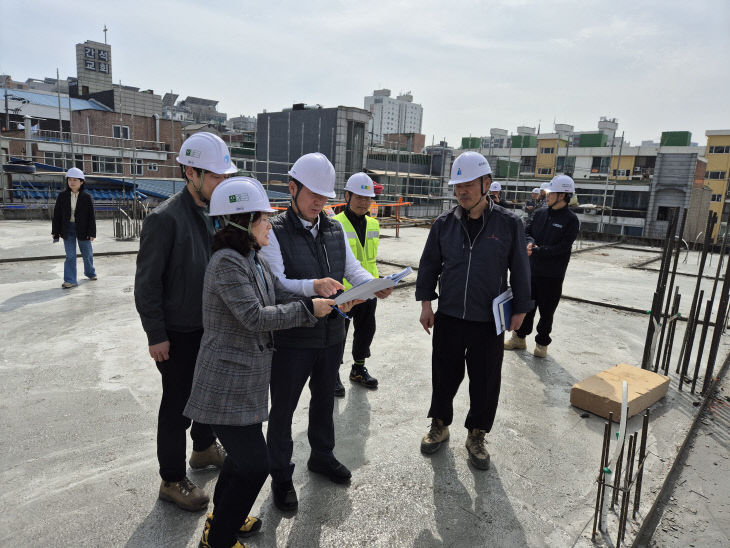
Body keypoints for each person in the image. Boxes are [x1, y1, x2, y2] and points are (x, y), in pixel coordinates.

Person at [184, 177, 347, 548]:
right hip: (226, 386)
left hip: (245, 384)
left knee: (243, 463)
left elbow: (280, 290)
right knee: (255, 465)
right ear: (242, 221)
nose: (269, 228)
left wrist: (329, 294)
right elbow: (256, 317)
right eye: (263, 220)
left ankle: (222, 520)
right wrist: (309, 310)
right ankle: (219, 540)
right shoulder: (226, 264)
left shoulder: (250, 258)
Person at [259, 153, 391, 511]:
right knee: (283, 410)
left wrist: (372, 285)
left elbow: (351, 268)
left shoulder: (334, 228)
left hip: (331, 333)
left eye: (324, 195)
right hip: (292, 338)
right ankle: (281, 477)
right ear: (292, 188)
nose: (319, 202)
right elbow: (277, 285)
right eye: (312, 194)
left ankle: (321, 455)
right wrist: (315, 287)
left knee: (323, 401)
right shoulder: (274, 232)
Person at [134, 132, 237, 512]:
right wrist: (156, 335)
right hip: (178, 333)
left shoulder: (216, 214)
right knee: (177, 406)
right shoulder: (165, 220)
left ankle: (204, 448)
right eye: (215, 176)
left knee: (207, 396)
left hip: (211, 327)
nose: (222, 183)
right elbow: (146, 285)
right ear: (190, 172)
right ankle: (172, 478)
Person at [416, 151, 532, 470]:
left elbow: (521, 269)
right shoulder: (444, 225)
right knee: (444, 374)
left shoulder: (509, 224)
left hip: (488, 321)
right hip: (450, 316)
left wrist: (521, 309)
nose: (462, 191)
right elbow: (429, 266)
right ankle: (439, 425)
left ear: (486, 183)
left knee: (485, 379)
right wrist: (426, 303)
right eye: (457, 186)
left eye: (468, 184)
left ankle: (476, 434)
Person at [504, 175, 579, 358]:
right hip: (532, 270)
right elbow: (527, 231)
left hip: (552, 275)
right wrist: (529, 243)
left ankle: (542, 343)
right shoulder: (540, 214)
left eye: (551, 193)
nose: (547, 196)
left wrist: (539, 250)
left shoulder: (571, 220)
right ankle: (519, 338)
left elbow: (563, 247)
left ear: (562, 195)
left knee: (547, 311)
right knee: (526, 307)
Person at [333, 172, 381, 397]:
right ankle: (333, 372)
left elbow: (370, 258)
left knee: (365, 331)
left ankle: (358, 368)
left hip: (369, 289)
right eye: (359, 197)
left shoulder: (374, 224)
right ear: (347, 196)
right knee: (338, 334)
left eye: (367, 198)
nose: (364, 202)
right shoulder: (335, 224)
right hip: (342, 291)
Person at [51, 167, 97, 288]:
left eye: (75, 180)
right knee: (70, 255)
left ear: (81, 182)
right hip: (67, 229)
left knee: (87, 254)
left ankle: (90, 272)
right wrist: (55, 231)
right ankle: (70, 280)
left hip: (83, 229)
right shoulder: (62, 196)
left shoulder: (87, 197)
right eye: (69, 179)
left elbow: (91, 216)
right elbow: (57, 215)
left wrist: (92, 233)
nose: (71, 182)